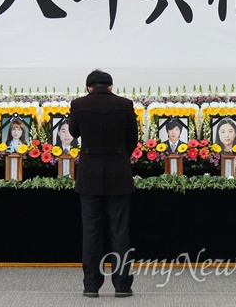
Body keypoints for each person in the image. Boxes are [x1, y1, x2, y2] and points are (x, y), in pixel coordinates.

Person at [69, 69, 138, 298]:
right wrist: (119, 157)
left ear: (89, 87)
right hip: (119, 172)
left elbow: (74, 131)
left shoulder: (78, 104)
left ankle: (91, 286)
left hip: (88, 174)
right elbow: (132, 140)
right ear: (111, 86)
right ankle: (122, 286)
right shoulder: (125, 105)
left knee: (91, 232)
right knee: (119, 231)